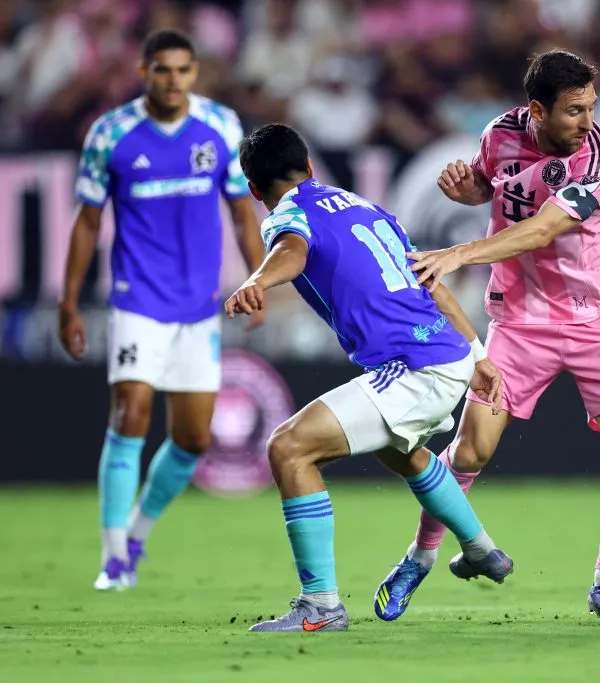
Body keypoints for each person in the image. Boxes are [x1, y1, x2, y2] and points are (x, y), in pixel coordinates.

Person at [374, 49, 600, 624]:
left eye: (592, 107)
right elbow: (493, 185)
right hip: (521, 321)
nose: (588, 121)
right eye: (575, 110)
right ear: (537, 110)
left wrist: (459, 254)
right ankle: (418, 558)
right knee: (471, 449)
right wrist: (469, 190)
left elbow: (544, 227)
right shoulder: (500, 133)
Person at [227, 123, 513, 633]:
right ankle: (481, 550)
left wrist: (256, 279)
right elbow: (430, 278)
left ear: (254, 190)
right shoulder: (365, 206)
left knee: (288, 448)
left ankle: (321, 605)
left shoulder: (289, 215)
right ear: (310, 166)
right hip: (445, 352)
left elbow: (290, 252)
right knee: (399, 450)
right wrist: (478, 355)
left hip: (414, 366)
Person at [58, 30, 267, 591]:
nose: (173, 80)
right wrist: (69, 302)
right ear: (144, 72)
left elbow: (243, 213)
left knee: (195, 439)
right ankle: (111, 558)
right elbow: (86, 221)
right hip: (137, 300)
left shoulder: (221, 127)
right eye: (162, 70)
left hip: (198, 306)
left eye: (183, 70)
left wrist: (257, 278)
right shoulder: (111, 134)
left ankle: (136, 532)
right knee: (130, 415)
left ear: (194, 73)